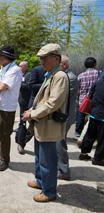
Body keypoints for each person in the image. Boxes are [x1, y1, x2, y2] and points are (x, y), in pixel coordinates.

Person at [22, 43, 69, 202]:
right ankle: (41, 182)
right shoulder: (50, 74)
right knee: (39, 156)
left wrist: (32, 113)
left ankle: (49, 192)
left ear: (56, 58)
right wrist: (31, 110)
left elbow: (53, 103)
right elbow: (43, 99)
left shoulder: (60, 76)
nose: (41, 61)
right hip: (41, 123)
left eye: (44, 58)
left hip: (49, 124)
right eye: (41, 58)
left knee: (48, 160)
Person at [56, 55, 79, 180]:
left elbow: (60, 97)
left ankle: (64, 171)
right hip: (63, 114)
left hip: (65, 116)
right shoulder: (66, 76)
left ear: (63, 64)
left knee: (60, 142)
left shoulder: (70, 78)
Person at [79, 76, 104, 166]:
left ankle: (83, 153)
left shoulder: (98, 81)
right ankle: (98, 158)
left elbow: (90, 95)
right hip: (102, 116)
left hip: (94, 113)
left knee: (90, 135)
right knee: (102, 139)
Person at [75, 57, 99, 137]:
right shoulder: (99, 74)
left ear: (85, 66)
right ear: (95, 65)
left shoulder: (80, 76)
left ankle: (78, 132)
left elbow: (77, 89)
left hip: (83, 100)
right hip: (95, 100)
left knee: (81, 116)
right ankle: (90, 134)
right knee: (92, 118)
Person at [15, 61, 31, 154]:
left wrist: (19, 83)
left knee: (28, 123)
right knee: (22, 122)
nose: (19, 67)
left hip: (27, 102)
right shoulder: (20, 74)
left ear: (26, 66)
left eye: (21, 66)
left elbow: (28, 86)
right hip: (22, 101)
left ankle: (22, 140)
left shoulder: (29, 74)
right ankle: (20, 140)